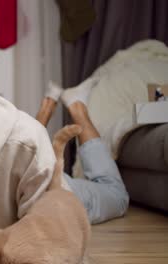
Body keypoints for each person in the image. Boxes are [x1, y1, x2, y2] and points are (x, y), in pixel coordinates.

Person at [0, 55, 128, 232]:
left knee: (116, 195)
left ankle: (78, 109)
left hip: (57, 194)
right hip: (24, 178)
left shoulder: (26, 141)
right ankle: (47, 108)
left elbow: (40, 232)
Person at [36, 79, 129, 224]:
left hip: (28, 190)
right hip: (51, 196)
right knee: (118, 197)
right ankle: (69, 106)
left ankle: (53, 106)